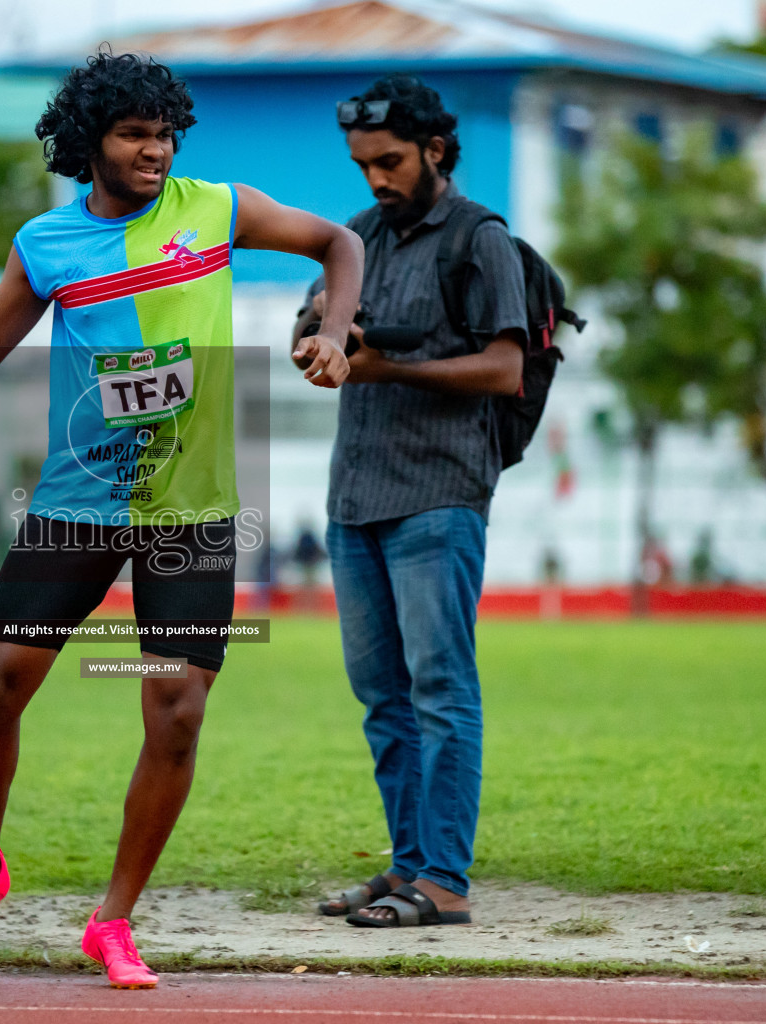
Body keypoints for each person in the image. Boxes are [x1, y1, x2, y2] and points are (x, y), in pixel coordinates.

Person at [0, 52, 362, 989]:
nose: (156, 150)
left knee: (176, 709)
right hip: (79, 502)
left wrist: (332, 328)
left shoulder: (218, 209)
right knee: (0, 686)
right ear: (90, 144)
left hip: (190, 509)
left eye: (165, 133)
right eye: (134, 134)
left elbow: (341, 244)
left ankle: (114, 921)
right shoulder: (46, 244)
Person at [294, 75, 528, 929]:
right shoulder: (354, 238)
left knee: (439, 690)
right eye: (362, 166)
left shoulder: (481, 239)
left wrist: (389, 365)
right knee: (383, 698)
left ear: (435, 149)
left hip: (440, 495)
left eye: (389, 162)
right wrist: (320, 339)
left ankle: (445, 881)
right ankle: (404, 869)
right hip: (354, 497)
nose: (375, 181)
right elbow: (311, 335)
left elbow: (506, 369)